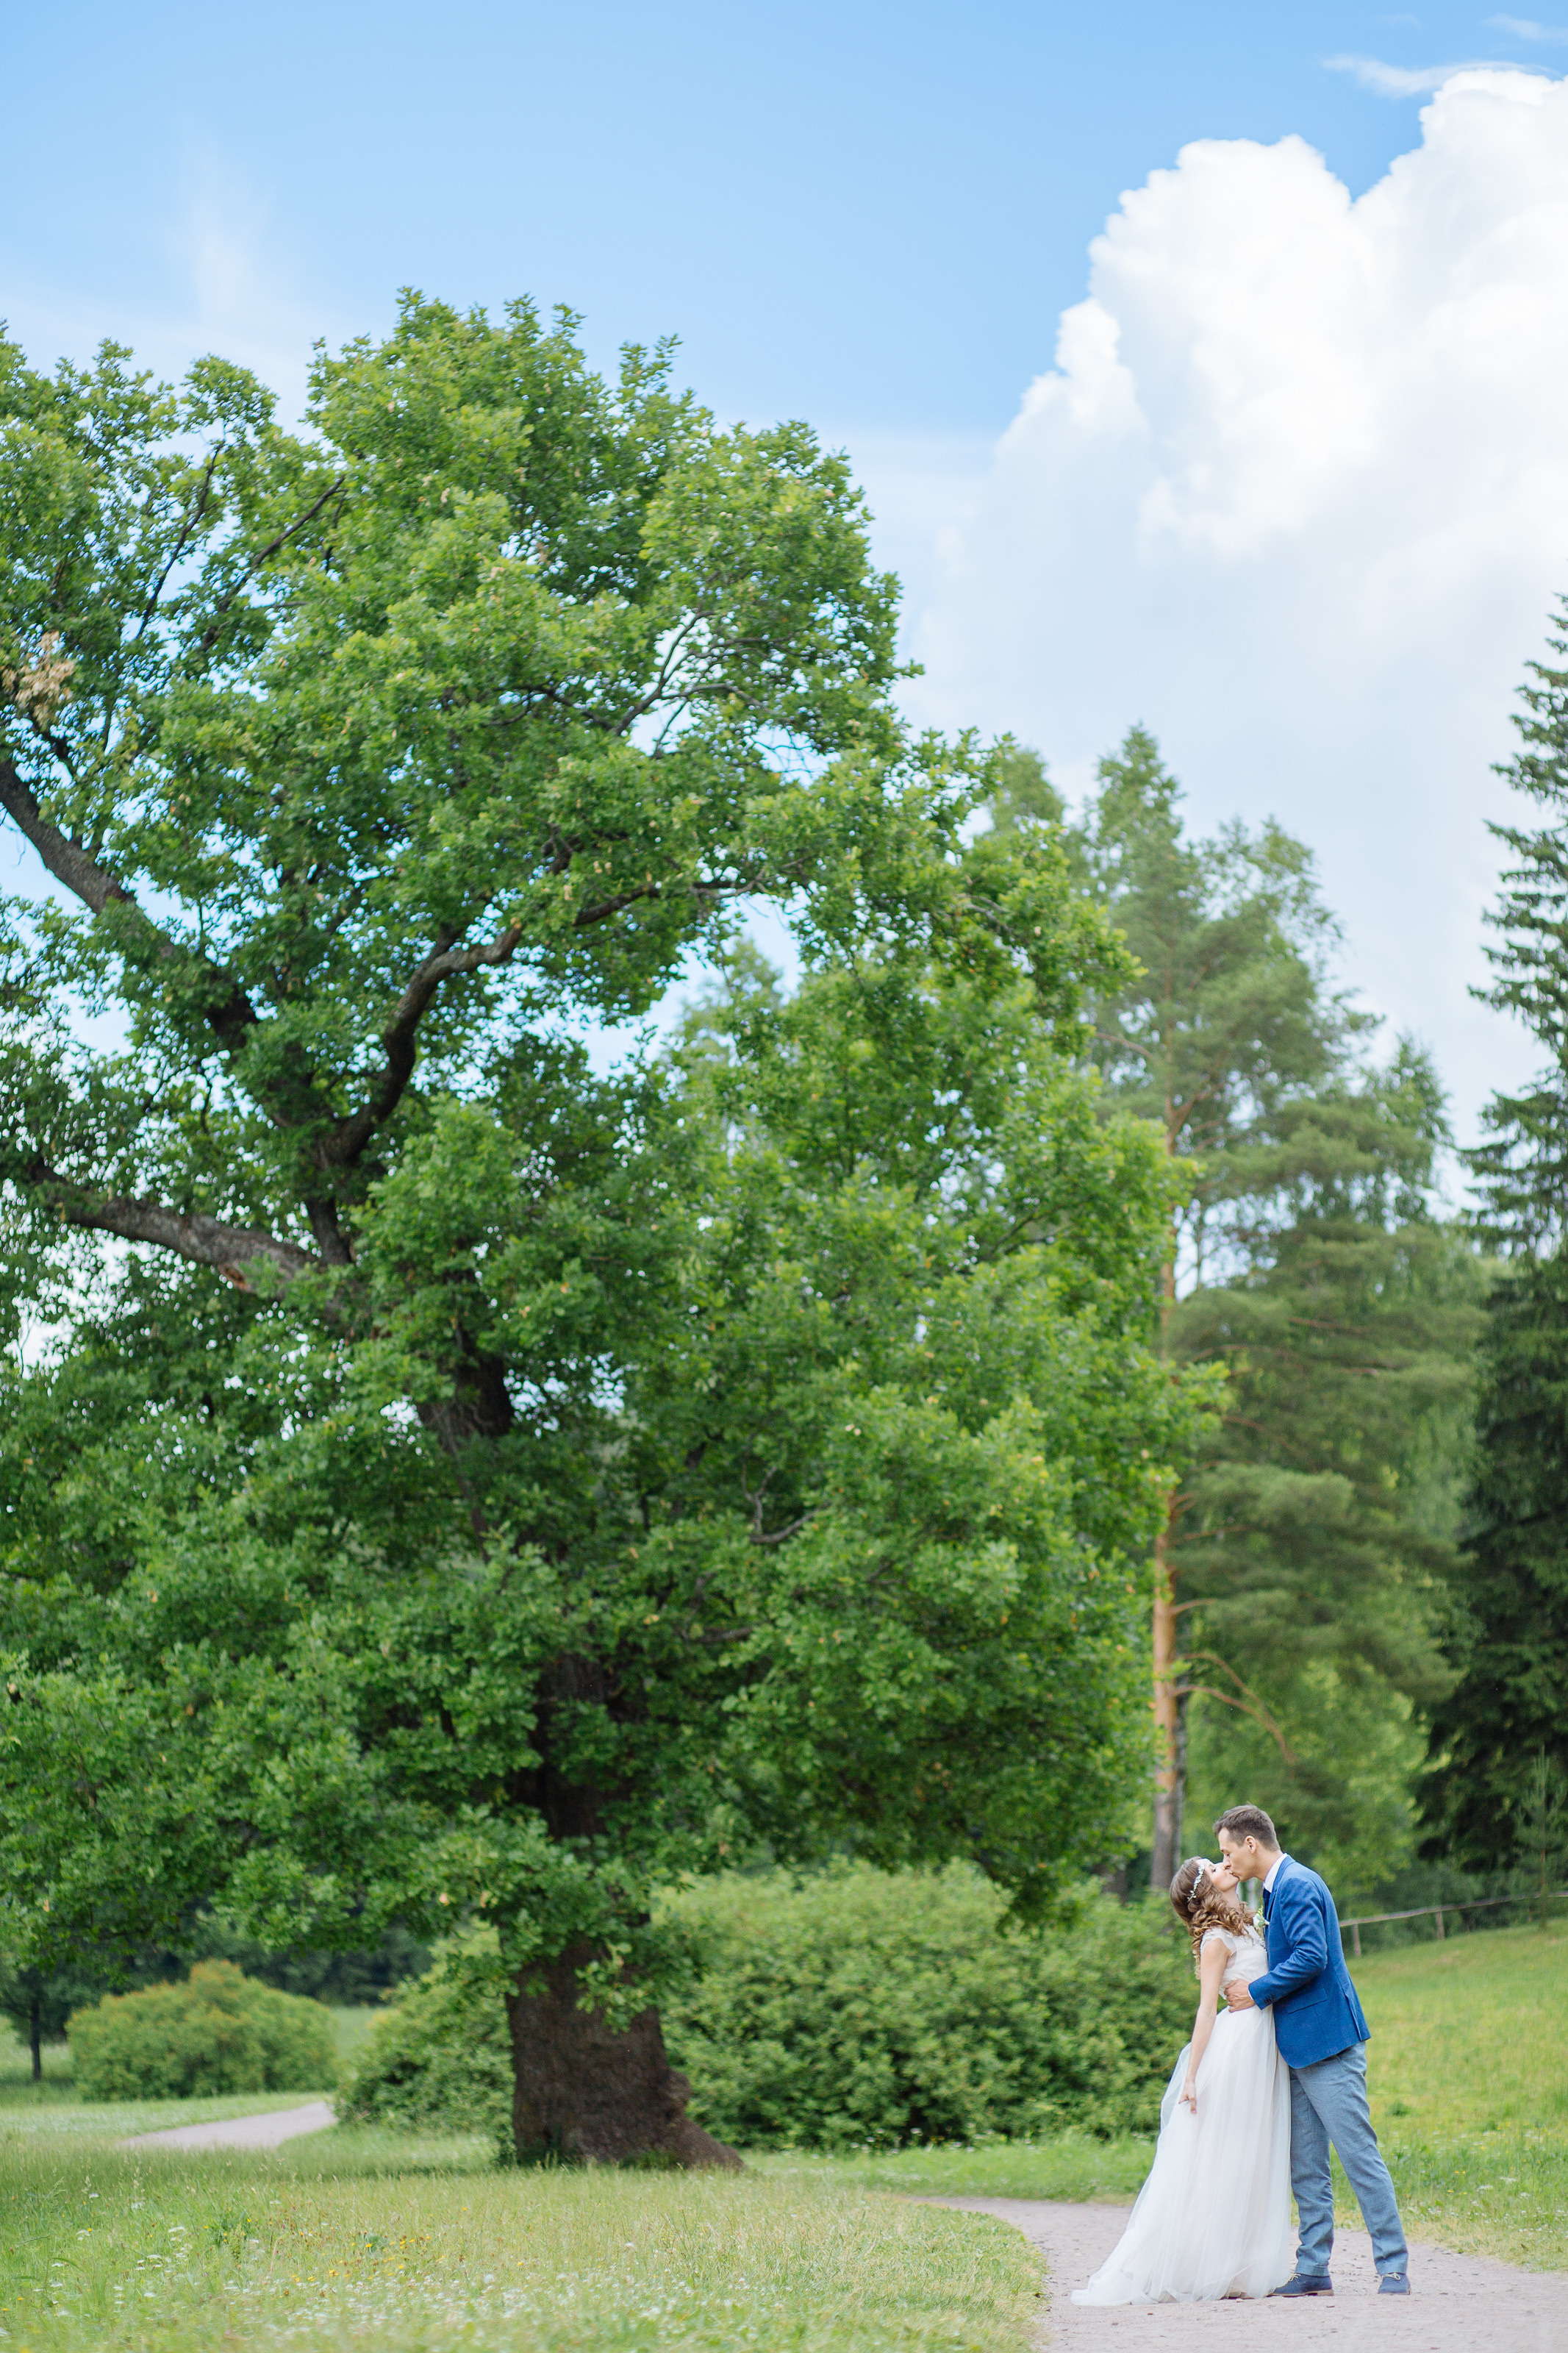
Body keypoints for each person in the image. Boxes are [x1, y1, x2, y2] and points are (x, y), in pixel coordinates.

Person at [1071, 1848, 1294, 2303]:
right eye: (1213, 1868)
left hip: (1262, 2046)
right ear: (1205, 1889)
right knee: (1227, 2156)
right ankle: (1205, 2264)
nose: (1223, 1864)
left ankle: (1238, 2264)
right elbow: (1205, 2009)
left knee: (1255, 2154)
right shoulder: (1216, 1938)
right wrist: (1192, 2077)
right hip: (1237, 2052)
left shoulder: (1250, 1924)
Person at [1217, 1802, 1410, 2297]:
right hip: (1295, 2048)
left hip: (1327, 2042)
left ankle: (1392, 2267)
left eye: (1227, 1851)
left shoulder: (1298, 1885)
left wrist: (1253, 1993)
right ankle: (1312, 2268)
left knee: (1357, 2156)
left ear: (1250, 1844)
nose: (1226, 1862)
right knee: (1305, 2164)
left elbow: (1309, 1957)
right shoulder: (1272, 1890)